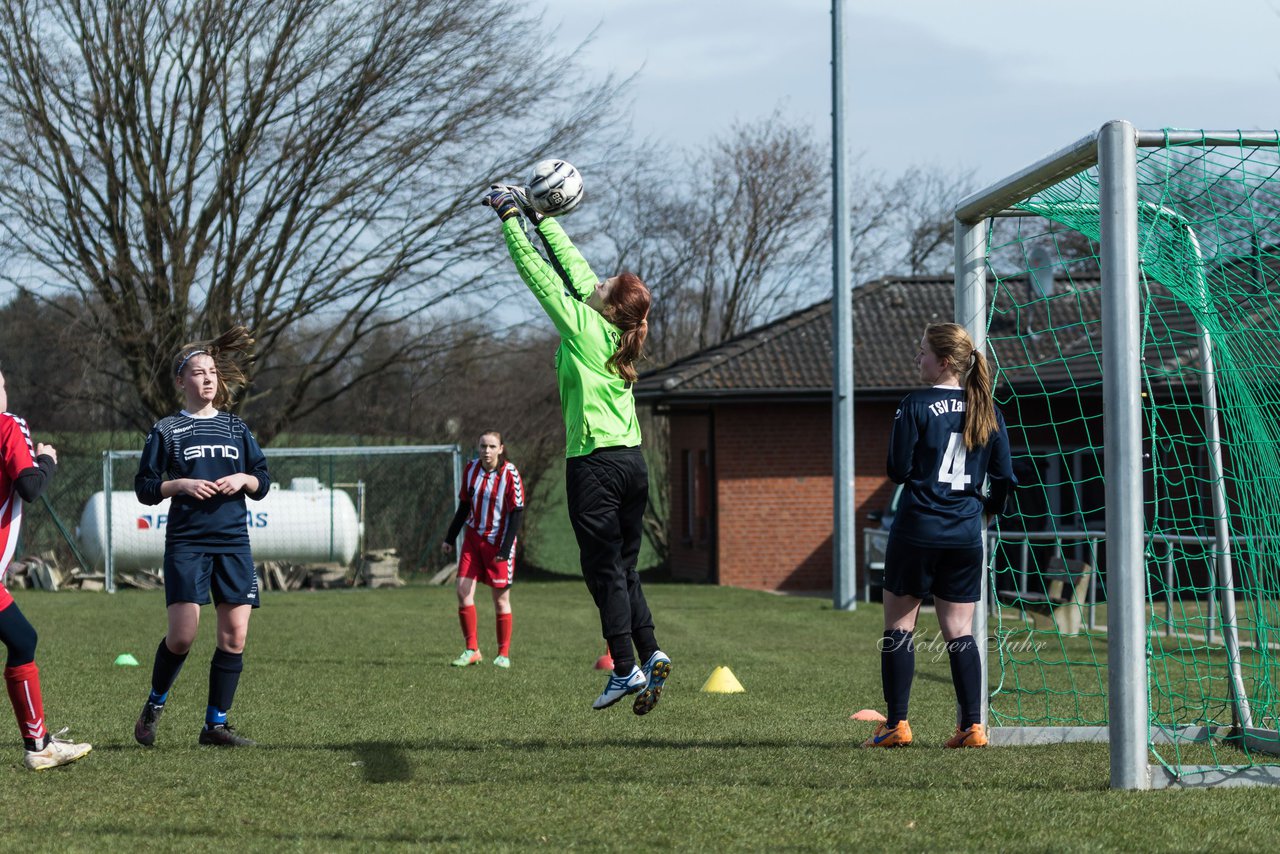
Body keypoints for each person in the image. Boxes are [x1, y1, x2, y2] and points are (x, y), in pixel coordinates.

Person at [482, 183, 671, 714]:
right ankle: (650, 650)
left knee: (602, 571)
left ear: (610, 303)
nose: (600, 279)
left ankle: (625, 667)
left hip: (595, 464)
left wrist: (511, 219)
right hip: (631, 463)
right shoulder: (616, 327)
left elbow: (541, 277)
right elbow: (574, 268)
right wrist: (542, 217)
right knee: (624, 568)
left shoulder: (586, 326)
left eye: (608, 282)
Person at [863, 322, 1014, 750]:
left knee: (899, 626)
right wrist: (985, 512)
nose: (917, 358)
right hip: (965, 533)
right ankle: (972, 727)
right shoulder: (988, 409)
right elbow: (1003, 477)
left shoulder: (914, 404)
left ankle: (896, 725)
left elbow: (896, 469)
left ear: (944, 361)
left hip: (917, 528)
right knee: (960, 632)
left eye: (922, 351)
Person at [133, 327, 271, 748]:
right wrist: (181, 486)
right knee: (183, 635)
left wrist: (245, 478)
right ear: (181, 381)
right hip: (188, 542)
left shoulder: (235, 427)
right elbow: (144, 486)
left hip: (233, 543)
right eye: (198, 372)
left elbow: (262, 479)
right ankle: (155, 704)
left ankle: (215, 725)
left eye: (212, 371)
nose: (208, 379)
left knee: (234, 636)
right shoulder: (169, 429)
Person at [0, 369, 92, 770]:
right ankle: (39, 748)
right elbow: (31, 488)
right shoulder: (7, 424)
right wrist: (46, 460)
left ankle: (39, 744)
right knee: (22, 639)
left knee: (22, 638)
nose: (4, 392)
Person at [442, 430, 525, 669]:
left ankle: (503, 654)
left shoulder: (510, 474)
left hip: (499, 543)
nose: (486, 451)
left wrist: (506, 548)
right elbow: (464, 506)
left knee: (500, 600)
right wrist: (450, 538)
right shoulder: (471, 470)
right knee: (462, 591)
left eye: (491, 447)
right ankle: (472, 650)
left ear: (501, 449)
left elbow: (517, 513)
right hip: (473, 538)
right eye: (482, 446)